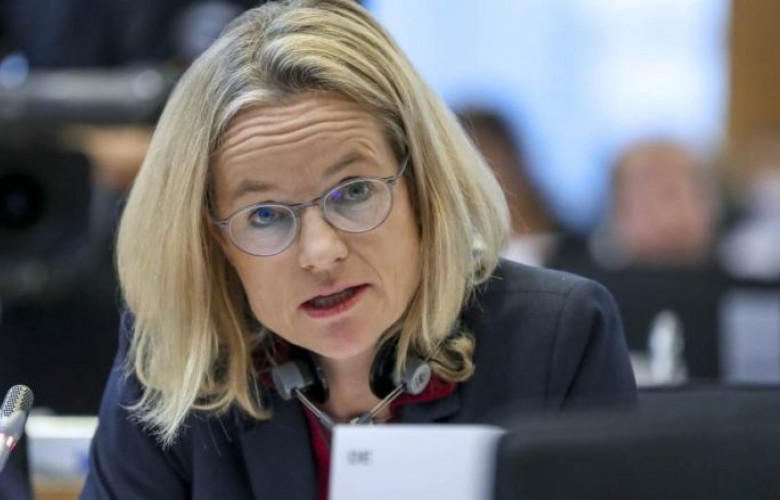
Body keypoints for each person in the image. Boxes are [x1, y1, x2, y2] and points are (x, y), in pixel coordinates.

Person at [81, 1, 637, 498]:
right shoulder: (176, 353)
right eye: (265, 215)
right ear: (214, 239)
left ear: (423, 189)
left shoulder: (557, 336)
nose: (320, 252)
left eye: (354, 193)